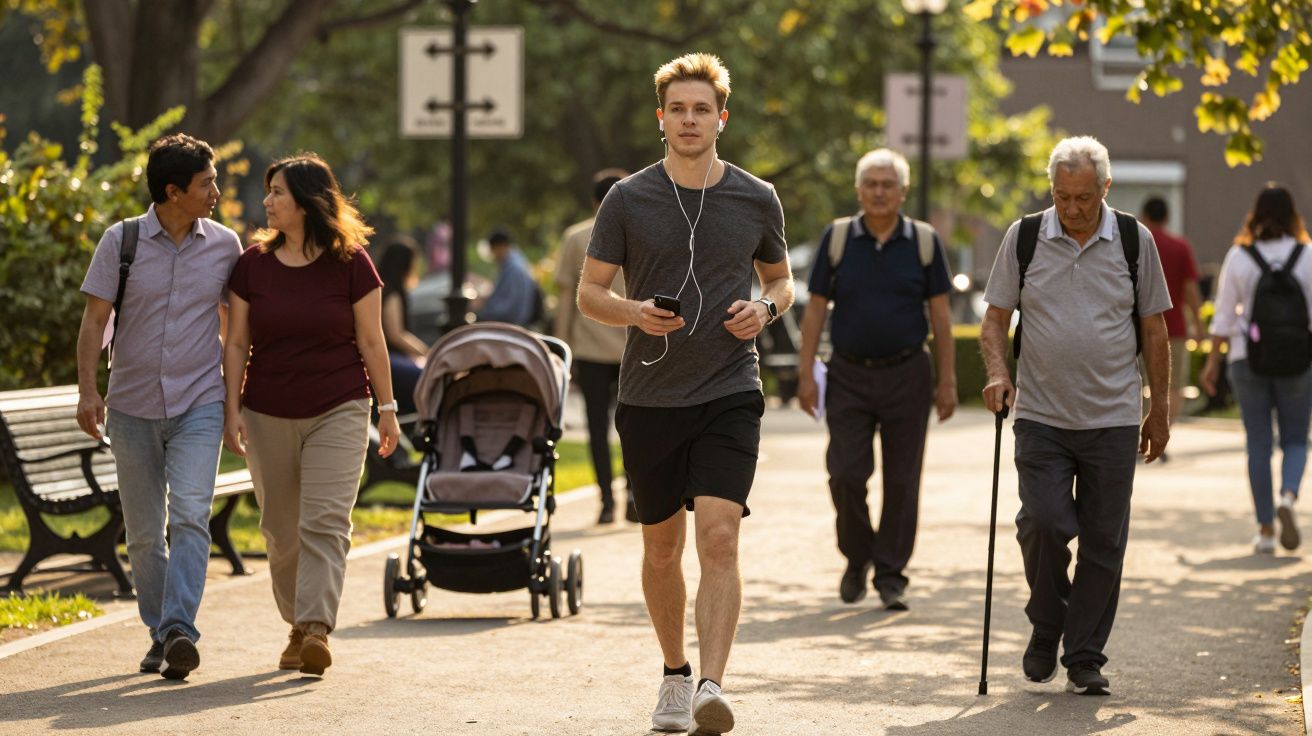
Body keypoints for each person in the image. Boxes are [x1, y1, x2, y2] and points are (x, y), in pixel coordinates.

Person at [578, 52, 793, 736]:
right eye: (679, 109)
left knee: (720, 539)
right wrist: (635, 312)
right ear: (662, 119)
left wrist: (767, 310)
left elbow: (783, 281)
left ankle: (711, 685)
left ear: (721, 118)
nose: (690, 119)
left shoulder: (757, 197)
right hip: (649, 397)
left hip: (731, 388)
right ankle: (674, 674)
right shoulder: (628, 198)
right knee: (663, 550)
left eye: (703, 109)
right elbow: (589, 294)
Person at [980, 136, 1171, 697]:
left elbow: (1155, 331)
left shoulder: (1135, 240)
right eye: (1063, 197)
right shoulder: (1027, 237)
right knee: (1042, 523)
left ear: (1105, 189)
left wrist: (1158, 410)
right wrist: (997, 372)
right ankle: (1047, 622)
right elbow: (995, 321)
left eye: (1083, 197)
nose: (1072, 209)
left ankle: (1084, 655)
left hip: (1112, 418)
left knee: (1103, 541)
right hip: (1041, 416)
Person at [222, 153, 400, 677]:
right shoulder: (251, 264)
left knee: (324, 520)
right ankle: (297, 625)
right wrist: (232, 407)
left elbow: (372, 340)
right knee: (280, 528)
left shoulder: (352, 263)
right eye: (268, 191)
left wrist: (387, 408)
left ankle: (317, 628)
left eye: (277, 192)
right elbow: (235, 343)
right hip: (267, 408)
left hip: (340, 405)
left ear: (306, 200)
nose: (267, 202)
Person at [75, 133, 241, 680]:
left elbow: (232, 328)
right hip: (132, 406)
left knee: (192, 515)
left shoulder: (225, 246)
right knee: (145, 532)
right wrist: (87, 391)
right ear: (173, 191)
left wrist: (235, 401)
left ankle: (179, 631)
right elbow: (94, 322)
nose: (216, 190)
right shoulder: (120, 242)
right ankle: (161, 632)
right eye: (207, 182)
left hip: (200, 401)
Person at [796, 147, 957, 611]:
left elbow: (941, 318)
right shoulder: (839, 238)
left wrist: (947, 381)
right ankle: (857, 555)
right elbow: (815, 309)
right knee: (845, 474)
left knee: (903, 481)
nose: (880, 192)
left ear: (903, 192)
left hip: (908, 373)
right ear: (859, 190)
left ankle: (890, 575)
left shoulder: (924, 242)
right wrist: (807, 373)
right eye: (872, 184)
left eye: (889, 185)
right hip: (848, 374)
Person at [1201, 184, 1312, 554]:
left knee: (1258, 444)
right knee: (1296, 439)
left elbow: (1222, 318)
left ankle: (1266, 530)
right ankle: (1289, 498)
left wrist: (1212, 364)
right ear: (1293, 215)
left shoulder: (1240, 255)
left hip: (1246, 358)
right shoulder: (1308, 254)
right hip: (1298, 360)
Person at [555, 168, 638, 525]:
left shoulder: (575, 238)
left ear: (593, 202)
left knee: (597, 428)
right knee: (635, 426)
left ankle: (606, 500)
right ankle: (635, 493)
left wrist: (562, 349)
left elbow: (564, 301)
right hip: (635, 347)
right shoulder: (642, 232)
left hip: (588, 349)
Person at [1141, 196, 1204, 433]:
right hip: (1174, 328)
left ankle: (1138, 431)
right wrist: (1199, 326)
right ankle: (1161, 431)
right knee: (1174, 385)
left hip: (1136, 328)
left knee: (1137, 382)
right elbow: (1190, 291)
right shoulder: (1180, 247)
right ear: (1167, 217)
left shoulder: (1137, 244)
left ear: (1144, 216)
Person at [376, 235, 428, 415]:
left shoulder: (379, 289)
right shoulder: (392, 294)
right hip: (390, 361)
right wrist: (427, 352)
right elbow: (396, 335)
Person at [476, 228, 540, 327]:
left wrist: (481, 311)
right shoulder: (512, 263)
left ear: (500, 247)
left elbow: (509, 308)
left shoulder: (514, 269)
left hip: (514, 326)